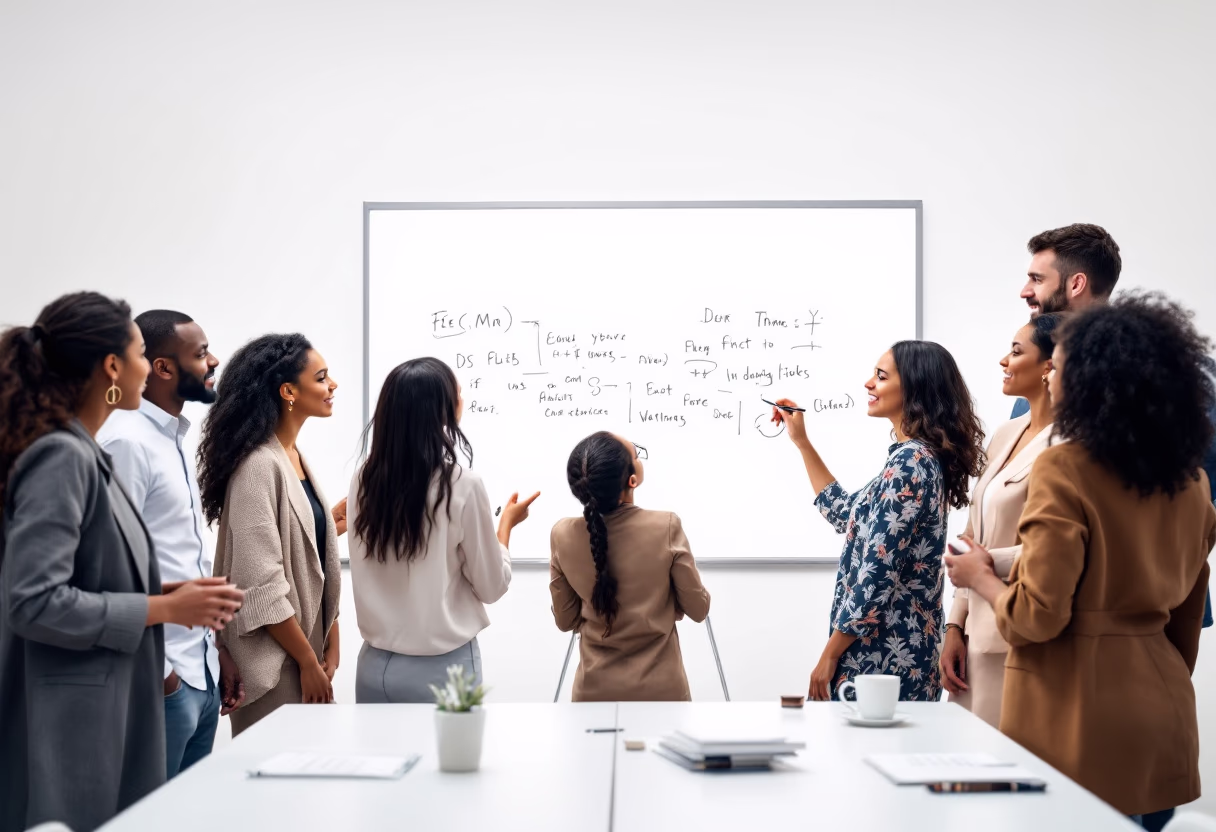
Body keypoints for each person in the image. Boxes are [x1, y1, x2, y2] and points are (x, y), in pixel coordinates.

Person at [946, 293, 1216, 822]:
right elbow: (1188, 615)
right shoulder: (1193, 481)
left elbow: (1035, 618)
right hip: (1161, 710)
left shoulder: (1065, 468)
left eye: (1060, 366)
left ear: (1095, 379)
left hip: (1072, 718)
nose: (1049, 378)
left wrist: (980, 576)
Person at [0, 293, 244, 832]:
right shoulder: (64, 455)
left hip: (112, 696)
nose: (142, 368)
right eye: (136, 353)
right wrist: (164, 608)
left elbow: (100, 571)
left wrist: (179, 600)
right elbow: (33, 602)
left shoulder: (79, 450)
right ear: (114, 367)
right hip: (80, 716)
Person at [774, 341, 986, 702]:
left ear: (915, 387)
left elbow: (877, 572)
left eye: (881, 376)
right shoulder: (914, 459)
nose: (868, 383)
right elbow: (844, 511)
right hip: (893, 654)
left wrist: (830, 653)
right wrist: (802, 442)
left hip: (882, 660)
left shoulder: (910, 463)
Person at [97, 310, 242, 779]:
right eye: (200, 354)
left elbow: (182, 557)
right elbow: (110, 570)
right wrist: (164, 678)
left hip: (198, 673)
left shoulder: (174, 438)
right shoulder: (127, 443)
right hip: (163, 682)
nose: (213, 360)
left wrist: (215, 650)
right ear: (162, 368)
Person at [348, 357, 537, 702]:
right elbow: (492, 586)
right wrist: (505, 526)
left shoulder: (364, 479)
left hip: (374, 668)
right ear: (443, 412)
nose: (462, 400)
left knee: (379, 757)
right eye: (459, 394)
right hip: (443, 671)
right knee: (449, 758)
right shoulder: (462, 485)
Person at [198, 333, 344, 735]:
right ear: (288, 391)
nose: (333, 386)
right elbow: (260, 586)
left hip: (304, 655)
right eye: (322, 378)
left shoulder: (293, 457)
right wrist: (308, 663)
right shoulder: (259, 465)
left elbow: (308, 557)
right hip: (278, 664)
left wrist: (332, 638)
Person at [939, 314, 1062, 726]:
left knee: (1004, 772)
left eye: (1015, 351)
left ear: (1050, 365)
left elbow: (1064, 548)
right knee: (962, 767)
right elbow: (972, 534)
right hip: (974, 631)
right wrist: (955, 625)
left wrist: (987, 562)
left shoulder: (1071, 445)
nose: (1003, 361)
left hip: (1024, 632)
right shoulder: (1006, 433)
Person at [550, 431, 711, 701]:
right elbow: (698, 609)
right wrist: (667, 605)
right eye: (636, 454)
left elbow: (566, 621)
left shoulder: (562, 534)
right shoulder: (666, 526)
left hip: (593, 693)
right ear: (632, 480)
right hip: (661, 694)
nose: (639, 456)